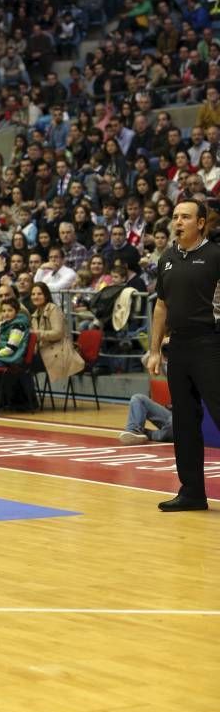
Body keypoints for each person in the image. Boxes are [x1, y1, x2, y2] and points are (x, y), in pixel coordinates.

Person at [147, 198, 220, 511]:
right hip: (177, 348)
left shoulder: (216, 255)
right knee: (185, 422)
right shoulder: (166, 257)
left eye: (186, 217)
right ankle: (192, 492)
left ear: (201, 223)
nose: (178, 222)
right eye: (175, 217)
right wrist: (153, 349)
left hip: (210, 345)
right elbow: (161, 305)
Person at [29, 281, 85, 387]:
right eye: (33, 294)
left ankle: (28, 398)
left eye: (39, 294)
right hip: (44, 352)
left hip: (59, 353)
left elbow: (58, 333)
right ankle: (26, 397)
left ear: (46, 295)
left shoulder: (53, 309)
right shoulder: (35, 315)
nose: (35, 297)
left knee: (23, 364)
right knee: (21, 363)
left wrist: (37, 334)